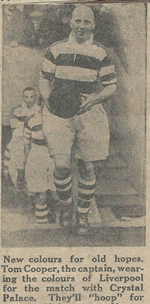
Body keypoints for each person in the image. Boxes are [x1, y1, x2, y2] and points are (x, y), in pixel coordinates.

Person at [39, 5, 117, 235]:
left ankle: (82, 214)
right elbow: (44, 78)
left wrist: (94, 99)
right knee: (62, 166)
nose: (82, 26)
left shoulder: (101, 52)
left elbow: (111, 86)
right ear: (70, 22)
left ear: (93, 25)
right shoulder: (56, 50)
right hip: (59, 113)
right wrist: (48, 100)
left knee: (87, 166)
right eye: (78, 21)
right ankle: (66, 207)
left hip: (89, 112)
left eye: (87, 22)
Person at [24, 104, 57, 223]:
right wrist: (27, 161)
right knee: (40, 190)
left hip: (54, 154)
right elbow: (26, 144)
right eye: (44, 104)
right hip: (37, 154)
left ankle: (53, 214)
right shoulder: (32, 120)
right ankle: (41, 221)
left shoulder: (58, 120)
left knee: (55, 191)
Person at [5, 87, 40, 190]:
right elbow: (14, 128)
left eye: (31, 97)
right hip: (20, 141)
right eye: (26, 97)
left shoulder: (39, 110)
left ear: (35, 97)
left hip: (34, 142)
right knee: (16, 154)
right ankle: (19, 182)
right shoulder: (17, 110)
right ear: (23, 97)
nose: (29, 100)